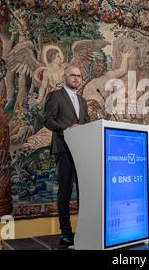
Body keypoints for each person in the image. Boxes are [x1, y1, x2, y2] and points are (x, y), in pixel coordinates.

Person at [43, 65, 91, 246]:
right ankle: (65, 232)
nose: (76, 78)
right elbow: (47, 120)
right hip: (63, 148)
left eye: (79, 76)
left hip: (83, 150)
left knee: (84, 192)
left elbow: (85, 124)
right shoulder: (55, 96)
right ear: (65, 77)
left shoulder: (82, 101)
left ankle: (85, 229)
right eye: (73, 75)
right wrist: (66, 129)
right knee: (65, 191)